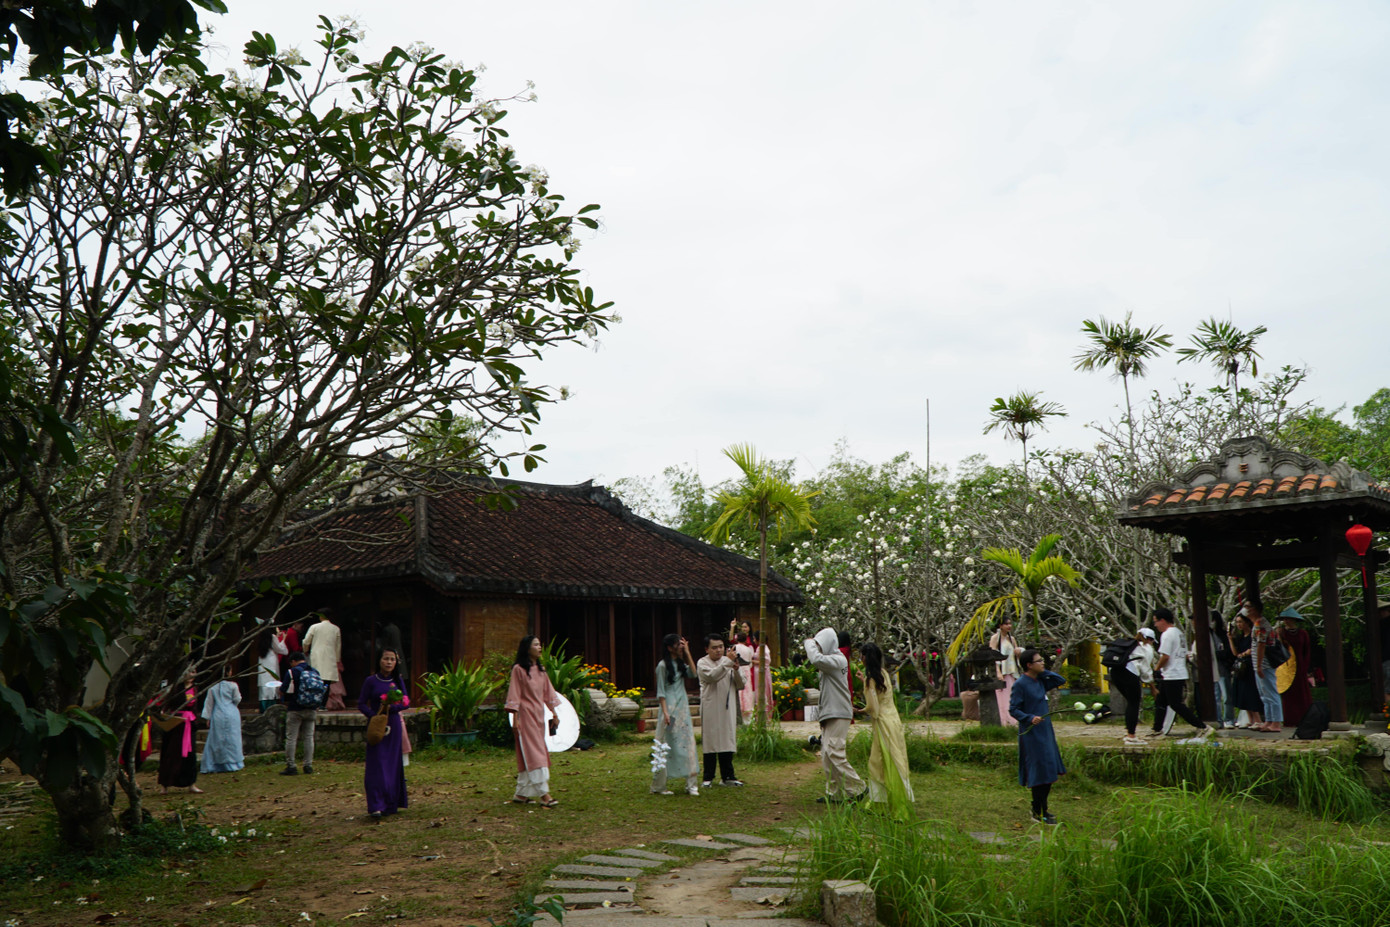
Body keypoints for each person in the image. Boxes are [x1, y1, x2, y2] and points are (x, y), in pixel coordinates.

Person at [806, 627, 865, 804]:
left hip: (839, 712)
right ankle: (835, 792)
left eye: (819, 644)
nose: (816, 647)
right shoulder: (831, 661)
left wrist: (808, 642)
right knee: (826, 754)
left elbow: (815, 659)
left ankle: (858, 788)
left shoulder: (838, 660)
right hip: (830, 713)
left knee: (834, 751)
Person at [504, 635, 562, 807]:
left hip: (539, 717)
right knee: (535, 754)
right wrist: (515, 720)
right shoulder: (518, 670)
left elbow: (548, 693)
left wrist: (554, 714)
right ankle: (544, 794)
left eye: (540, 644)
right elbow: (515, 694)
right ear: (527, 648)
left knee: (529, 752)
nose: (539, 647)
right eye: (536, 644)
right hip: (525, 717)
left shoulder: (541, 670)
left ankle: (521, 794)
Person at [1009, 649, 1064, 824]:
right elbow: (1013, 709)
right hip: (1031, 733)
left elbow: (1060, 680)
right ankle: (1037, 811)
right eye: (1038, 661)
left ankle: (1044, 809)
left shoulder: (1040, 680)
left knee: (1048, 770)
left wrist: (1042, 671)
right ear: (1028, 665)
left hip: (1045, 731)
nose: (1043, 663)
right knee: (1039, 772)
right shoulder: (1021, 684)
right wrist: (1029, 718)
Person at [859, 643, 913, 820]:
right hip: (893, 721)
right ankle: (878, 804)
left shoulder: (871, 679)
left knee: (886, 765)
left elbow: (873, 707)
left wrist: (860, 710)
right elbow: (878, 694)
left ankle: (897, 808)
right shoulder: (883, 674)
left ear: (866, 658)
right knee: (886, 761)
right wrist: (864, 682)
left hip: (883, 724)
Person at [1146, 608, 1215, 739]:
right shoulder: (1178, 633)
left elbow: (1165, 656)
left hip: (1173, 673)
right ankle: (1157, 728)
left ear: (1163, 620)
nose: (1155, 625)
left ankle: (1202, 727)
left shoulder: (1167, 634)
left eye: (1156, 622)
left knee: (1175, 704)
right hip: (1176, 672)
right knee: (1161, 702)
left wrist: (1156, 669)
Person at [358, 648, 410, 819]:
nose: (389, 662)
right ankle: (376, 805)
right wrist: (375, 716)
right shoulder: (370, 681)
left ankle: (390, 803)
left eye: (392, 659)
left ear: (396, 663)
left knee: (392, 764)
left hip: (394, 724)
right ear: (379, 661)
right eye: (386, 659)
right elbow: (361, 704)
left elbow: (406, 701)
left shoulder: (397, 680)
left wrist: (393, 707)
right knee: (377, 765)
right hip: (377, 727)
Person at [651, 633, 700, 796]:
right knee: (665, 746)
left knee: (688, 744)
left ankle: (691, 784)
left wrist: (687, 653)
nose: (681, 646)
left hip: (682, 708)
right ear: (669, 647)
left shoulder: (680, 663)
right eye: (678, 645)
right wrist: (665, 713)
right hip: (669, 710)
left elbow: (693, 674)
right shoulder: (662, 666)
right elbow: (661, 692)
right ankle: (658, 786)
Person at [697, 632, 745, 787]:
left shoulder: (729, 661)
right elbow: (712, 676)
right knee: (710, 741)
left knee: (727, 739)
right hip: (710, 706)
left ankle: (728, 777)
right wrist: (727, 663)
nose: (718, 650)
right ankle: (708, 777)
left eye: (721, 647)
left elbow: (741, 684)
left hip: (727, 707)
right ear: (707, 649)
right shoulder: (702, 663)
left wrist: (736, 669)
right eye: (714, 648)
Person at [157, 670, 203, 794]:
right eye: (188, 672)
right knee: (170, 753)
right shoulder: (176, 688)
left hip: (189, 723)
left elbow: (195, 706)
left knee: (190, 755)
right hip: (176, 724)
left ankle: (191, 783)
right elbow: (166, 703)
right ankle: (164, 785)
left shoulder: (195, 688)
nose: (190, 675)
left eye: (193, 672)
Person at [1109, 627, 1156, 746]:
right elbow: (1146, 669)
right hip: (1130, 674)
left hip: (1115, 673)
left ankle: (1129, 733)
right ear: (1150, 639)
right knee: (1134, 703)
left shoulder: (1130, 645)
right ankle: (1131, 736)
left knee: (1131, 702)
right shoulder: (1146, 648)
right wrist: (1152, 686)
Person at [200, 664, 244, 774]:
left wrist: (208, 717)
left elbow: (209, 704)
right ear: (228, 672)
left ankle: (217, 763)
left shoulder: (213, 688)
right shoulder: (233, 686)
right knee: (232, 738)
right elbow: (237, 699)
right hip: (232, 713)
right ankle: (233, 763)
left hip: (218, 714)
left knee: (217, 739)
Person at [280, 651, 319, 775]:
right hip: (312, 708)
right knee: (309, 737)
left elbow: (283, 690)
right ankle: (308, 765)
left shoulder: (292, 672)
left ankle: (291, 765)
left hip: (295, 708)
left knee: (292, 738)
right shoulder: (314, 672)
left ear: (293, 661)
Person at [1250, 604, 1284, 733]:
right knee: (1264, 694)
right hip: (1258, 664)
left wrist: (1259, 665)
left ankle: (1276, 722)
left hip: (1265, 664)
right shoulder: (1256, 624)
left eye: (1249, 606)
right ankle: (1269, 720)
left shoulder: (1261, 624)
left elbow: (1261, 645)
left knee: (1271, 693)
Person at [1227, 612, 1265, 728]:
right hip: (1241, 668)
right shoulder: (1239, 637)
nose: (1239, 624)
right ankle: (1251, 719)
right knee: (1242, 693)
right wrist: (1230, 639)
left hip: (1250, 666)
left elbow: (1252, 649)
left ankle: (1258, 719)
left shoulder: (1252, 636)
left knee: (1251, 693)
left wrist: (1244, 654)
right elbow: (1235, 653)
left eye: (1241, 622)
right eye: (1237, 622)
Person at [1278, 607, 1314, 726]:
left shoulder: (1303, 634)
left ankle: (1305, 719)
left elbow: (1307, 651)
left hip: (1300, 666)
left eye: (1289, 619)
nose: (1286, 621)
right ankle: (1289, 719)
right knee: (1288, 695)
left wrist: (1305, 668)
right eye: (1285, 619)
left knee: (1302, 694)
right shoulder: (1281, 632)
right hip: (1286, 666)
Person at [303, 608, 343, 711]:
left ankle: (314, 703)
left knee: (315, 681)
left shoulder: (314, 627)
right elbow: (338, 647)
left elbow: (306, 641)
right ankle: (322, 705)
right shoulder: (335, 629)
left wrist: (305, 650)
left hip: (316, 657)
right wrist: (337, 659)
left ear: (321, 616)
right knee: (326, 683)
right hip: (330, 658)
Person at [989, 619, 1021, 729]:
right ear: (1000, 625)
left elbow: (1016, 654)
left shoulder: (1012, 639)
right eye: (1006, 624)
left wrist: (1018, 653)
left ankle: (1013, 720)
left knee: (1011, 696)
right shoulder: (995, 638)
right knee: (1002, 698)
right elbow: (993, 655)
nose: (1009, 626)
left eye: (1010, 623)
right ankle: (1003, 721)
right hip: (1001, 671)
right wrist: (997, 672)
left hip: (1011, 671)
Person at [256, 626, 288, 712]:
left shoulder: (261, 638)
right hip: (271, 664)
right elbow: (281, 649)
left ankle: (263, 708)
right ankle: (271, 709)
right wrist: (283, 639)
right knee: (271, 685)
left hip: (263, 664)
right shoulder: (272, 637)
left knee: (264, 686)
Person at [747, 631, 775, 720]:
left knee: (763, 693)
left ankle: (764, 716)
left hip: (762, 673)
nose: (754, 640)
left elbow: (765, 662)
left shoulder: (762, 648)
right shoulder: (760, 648)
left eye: (754, 638)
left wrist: (751, 661)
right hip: (758, 672)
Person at [734, 632, 755, 721]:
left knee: (738, 690)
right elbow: (750, 663)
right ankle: (748, 712)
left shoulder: (734, 647)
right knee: (747, 691)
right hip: (746, 670)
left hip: (737, 669)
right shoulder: (748, 649)